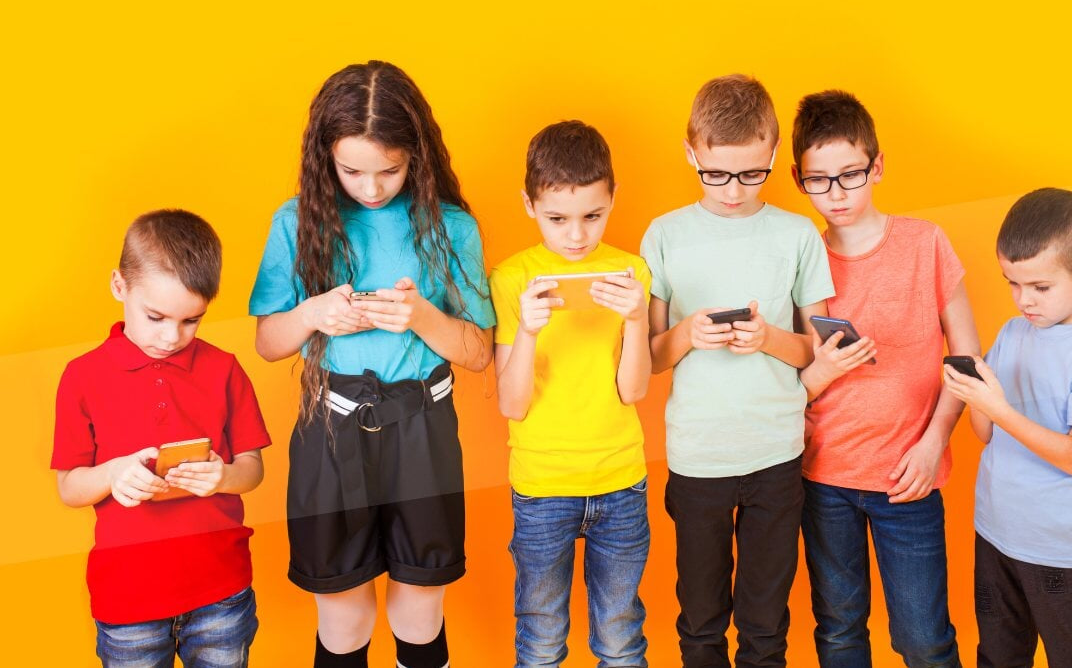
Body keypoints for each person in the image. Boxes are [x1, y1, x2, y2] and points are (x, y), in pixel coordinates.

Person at [250, 60, 494, 668]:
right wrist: (312, 315)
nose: (372, 188)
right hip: (330, 428)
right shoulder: (295, 221)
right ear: (324, 156)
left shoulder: (451, 226)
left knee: (419, 608)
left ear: (417, 154)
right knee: (344, 613)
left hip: (424, 425)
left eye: (390, 169)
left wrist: (422, 317)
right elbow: (268, 342)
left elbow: (480, 353)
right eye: (351, 170)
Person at [641, 74, 834, 667]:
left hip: (776, 453)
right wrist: (685, 334)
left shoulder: (797, 235)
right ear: (691, 153)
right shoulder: (665, 234)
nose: (732, 190)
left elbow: (819, 351)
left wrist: (770, 337)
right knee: (699, 622)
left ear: (774, 154)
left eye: (752, 173)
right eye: (716, 173)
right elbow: (648, 358)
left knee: (766, 624)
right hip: (697, 456)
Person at [792, 89, 978, 667]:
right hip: (823, 477)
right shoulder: (802, 259)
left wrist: (933, 445)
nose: (836, 194)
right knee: (841, 631)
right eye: (818, 180)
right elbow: (795, 378)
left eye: (849, 174)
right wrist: (823, 372)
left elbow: (966, 359)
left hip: (908, 477)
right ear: (800, 180)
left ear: (877, 166)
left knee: (923, 637)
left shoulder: (926, 244)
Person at [53, 209, 269, 667]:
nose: (172, 336)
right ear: (119, 287)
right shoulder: (81, 377)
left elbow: (252, 468)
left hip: (222, 592)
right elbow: (69, 488)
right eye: (155, 317)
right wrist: (112, 474)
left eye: (192, 320)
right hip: (127, 600)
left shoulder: (225, 368)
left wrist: (223, 476)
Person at [944, 187, 1072, 668]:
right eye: (1012, 284)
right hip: (996, 533)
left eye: (1040, 287)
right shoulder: (1014, 332)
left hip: (1061, 551)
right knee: (998, 656)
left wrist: (1000, 407)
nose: (1023, 301)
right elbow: (985, 434)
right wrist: (975, 391)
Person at [491, 120, 652, 667]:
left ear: (612, 199)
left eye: (593, 216)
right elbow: (511, 405)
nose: (577, 236)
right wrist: (529, 331)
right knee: (540, 638)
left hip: (621, 481)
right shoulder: (512, 278)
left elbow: (633, 390)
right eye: (558, 219)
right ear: (529, 205)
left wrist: (635, 320)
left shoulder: (632, 270)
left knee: (620, 636)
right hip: (541, 488)